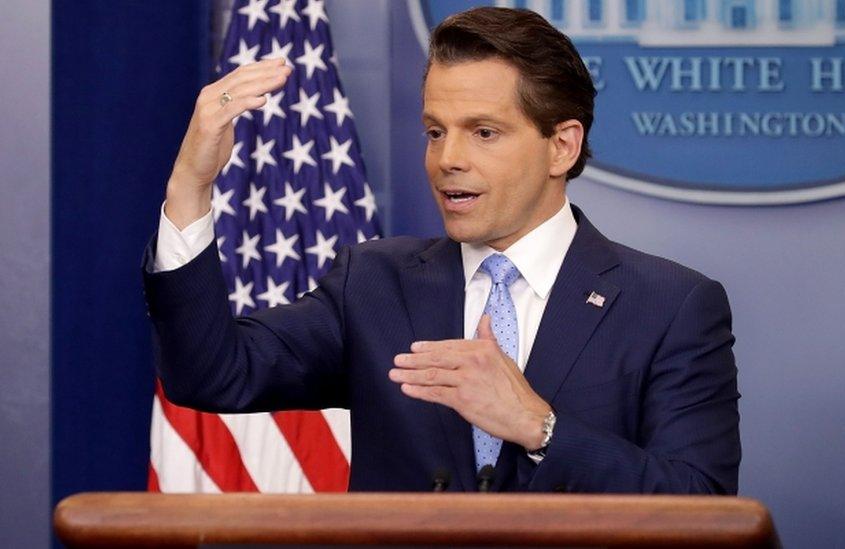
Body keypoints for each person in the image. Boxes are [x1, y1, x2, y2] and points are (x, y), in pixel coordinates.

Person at [143, 7, 741, 493]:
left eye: (484, 132)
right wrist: (189, 190)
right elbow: (212, 376)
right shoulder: (372, 283)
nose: (447, 157)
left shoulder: (671, 305)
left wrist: (540, 428)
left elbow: (700, 503)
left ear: (561, 146)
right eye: (436, 130)